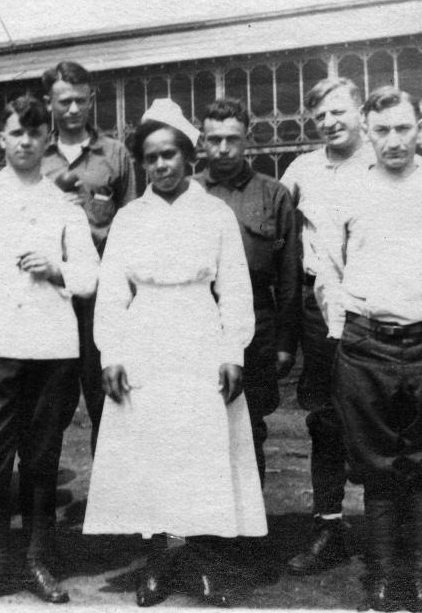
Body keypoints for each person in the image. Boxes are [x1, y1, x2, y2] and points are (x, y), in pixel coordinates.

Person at [84, 99, 266, 608]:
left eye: (170, 154)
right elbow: (112, 293)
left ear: (188, 156)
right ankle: (163, 558)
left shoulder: (215, 213)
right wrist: (110, 353)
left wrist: (234, 350)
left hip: (199, 337)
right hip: (145, 337)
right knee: (153, 447)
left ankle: (197, 557)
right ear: (141, 163)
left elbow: (234, 287)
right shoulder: (128, 219)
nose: (161, 165)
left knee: (198, 447)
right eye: (150, 157)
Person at [315, 87, 422, 613]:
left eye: (403, 128)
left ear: (420, 126)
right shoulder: (346, 193)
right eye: (381, 130)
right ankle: (383, 581)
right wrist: (344, 329)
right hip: (366, 343)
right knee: (376, 463)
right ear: (366, 128)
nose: (393, 141)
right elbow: (328, 272)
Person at [0, 94, 99, 603]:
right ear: (2, 139)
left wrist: (57, 268)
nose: (26, 142)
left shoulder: (63, 203)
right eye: (16, 133)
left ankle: (36, 561)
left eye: (35, 133)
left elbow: (90, 274)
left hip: (52, 347)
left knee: (40, 458)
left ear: (46, 139)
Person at [277, 76, 377, 574]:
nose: (331, 122)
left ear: (360, 110)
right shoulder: (303, 169)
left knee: (380, 413)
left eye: (340, 111)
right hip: (321, 303)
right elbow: (272, 218)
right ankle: (329, 525)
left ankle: (389, 532)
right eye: (321, 116)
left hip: (375, 303)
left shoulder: (384, 160)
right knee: (324, 417)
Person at [194, 97, 301, 485]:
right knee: (195, 426)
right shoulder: (188, 194)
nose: (223, 149)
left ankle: (247, 535)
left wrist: (286, 342)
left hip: (256, 323)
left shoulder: (272, 195)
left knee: (249, 424)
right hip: (198, 319)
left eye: (232, 139)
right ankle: (196, 533)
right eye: (214, 139)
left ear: (248, 140)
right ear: (202, 142)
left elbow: (288, 274)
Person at [39, 61, 138, 455]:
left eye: (81, 100)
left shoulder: (114, 154)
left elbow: (131, 222)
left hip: (103, 293)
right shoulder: (36, 158)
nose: (74, 109)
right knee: (50, 401)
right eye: (64, 101)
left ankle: (108, 503)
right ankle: (42, 504)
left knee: (105, 393)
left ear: (92, 98)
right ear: (50, 102)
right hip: (51, 289)